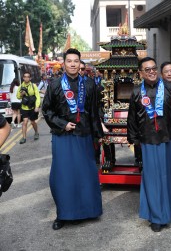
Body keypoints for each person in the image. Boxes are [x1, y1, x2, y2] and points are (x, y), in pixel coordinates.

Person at [42, 48, 103, 230]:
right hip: (63, 136)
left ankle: (85, 211)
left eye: (76, 61)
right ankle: (63, 214)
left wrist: (98, 134)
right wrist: (62, 124)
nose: (73, 64)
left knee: (85, 175)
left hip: (84, 135)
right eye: (69, 61)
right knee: (62, 176)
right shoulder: (54, 85)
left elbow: (94, 112)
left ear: (80, 63)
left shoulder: (90, 84)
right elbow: (47, 111)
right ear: (64, 63)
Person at [127, 57, 171, 232]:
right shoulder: (137, 92)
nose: (151, 72)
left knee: (169, 175)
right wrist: (134, 139)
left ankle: (170, 207)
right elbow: (132, 119)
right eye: (147, 69)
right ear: (141, 73)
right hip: (148, 140)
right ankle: (158, 216)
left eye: (153, 68)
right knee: (152, 179)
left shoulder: (170, 88)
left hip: (169, 139)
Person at [17, 71, 40, 144]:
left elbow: (38, 97)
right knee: (25, 122)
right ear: (23, 78)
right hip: (24, 107)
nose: (26, 78)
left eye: (28, 77)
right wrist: (21, 94)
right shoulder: (21, 86)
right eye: (25, 77)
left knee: (33, 122)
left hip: (32, 107)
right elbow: (17, 96)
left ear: (30, 78)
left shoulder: (33, 86)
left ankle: (36, 132)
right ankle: (24, 137)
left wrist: (37, 106)